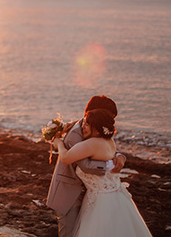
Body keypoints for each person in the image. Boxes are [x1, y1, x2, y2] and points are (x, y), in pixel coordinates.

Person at [53, 108, 152, 237]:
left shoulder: (92, 144)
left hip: (101, 204)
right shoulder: (109, 142)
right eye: (84, 122)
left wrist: (59, 143)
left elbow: (65, 158)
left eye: (88, 124)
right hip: (116, 197)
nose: (83, 126)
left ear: (98, 129)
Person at [46, 96, 127, 237]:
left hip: (88, 192)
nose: (111, 121)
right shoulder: (76, 135)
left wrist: (120, 156)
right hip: (70, 192)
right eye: (109, 116)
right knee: (69, 233)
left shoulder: (95, 126)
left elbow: (105, 147)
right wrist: (109, 165)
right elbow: (86, 166)